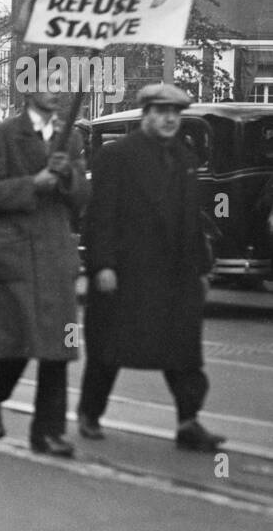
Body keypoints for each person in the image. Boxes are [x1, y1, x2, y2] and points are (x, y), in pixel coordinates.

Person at [78, 83, 224, 452]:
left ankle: (188, 422)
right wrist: (102, 265)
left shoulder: (186, 159)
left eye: (175, 113)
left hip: (175, 276)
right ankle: (89, 414)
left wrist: (202, 270)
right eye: (161, 113)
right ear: (146, 115)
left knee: (184, 353)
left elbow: (192, 221)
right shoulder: (117, 157)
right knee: (109, 349)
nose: (169, 119)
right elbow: (100, 217)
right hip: (127, 273)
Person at [0, 89, 89, 457]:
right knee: (14, 346)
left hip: (55, 256)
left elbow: (83, 200)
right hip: (15, 257)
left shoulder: (71, 138)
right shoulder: (0, 137)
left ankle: (49, 432)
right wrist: (32, 184)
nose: (56, 92)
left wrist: (69, 176)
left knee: (59, 348)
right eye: (47, 82)